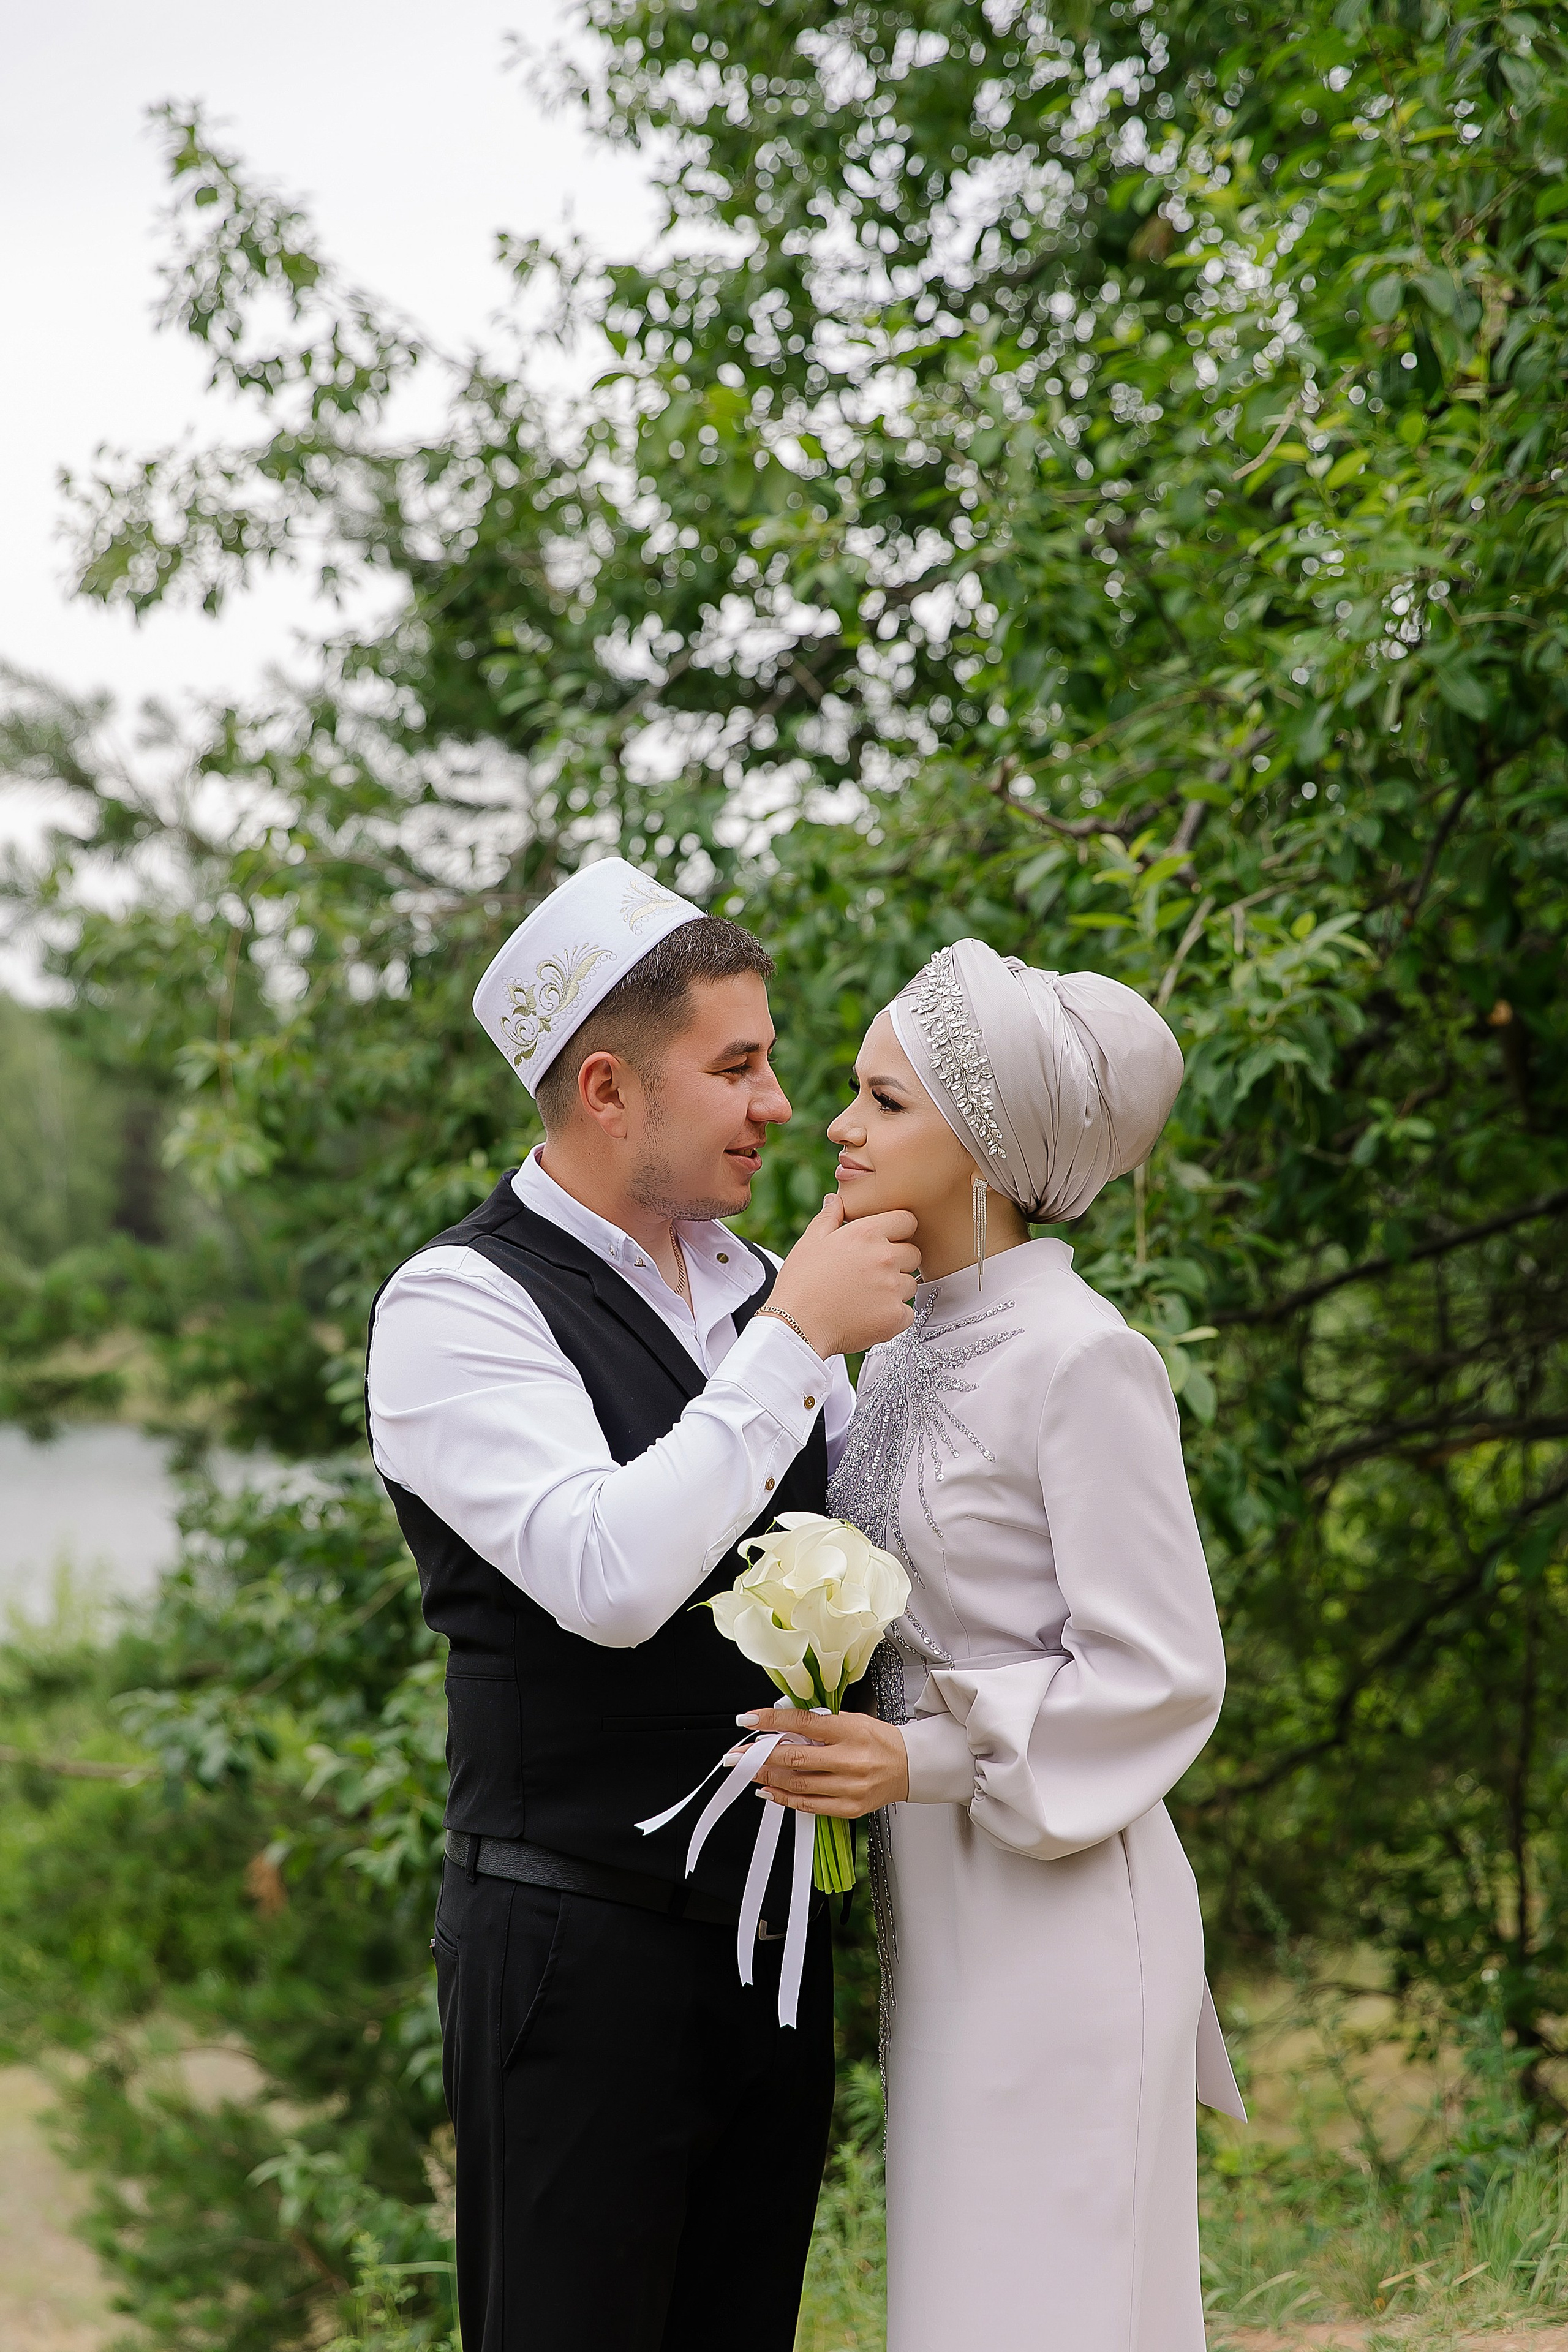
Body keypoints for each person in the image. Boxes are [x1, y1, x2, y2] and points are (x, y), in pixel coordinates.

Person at [364, 858, 921, 2352]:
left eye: (772, 1062)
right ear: (606, 1089)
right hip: (573, 1953)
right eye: (735, 1067)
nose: (779, 1106)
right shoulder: (458, 1304)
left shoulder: (765, 1291)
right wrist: (793, 1339)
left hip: (772, 1946)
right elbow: (605, 1578)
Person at [747, 938, 1245, 2352]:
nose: (836, 1127)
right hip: (942, 1908)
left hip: (1063, 1911)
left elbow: (1159, 1671)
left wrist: (912, 1760)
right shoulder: (896, 1346)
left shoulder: (1080, 1356)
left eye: (881, 1100)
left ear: (983, 1143)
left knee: (1045, 2305)